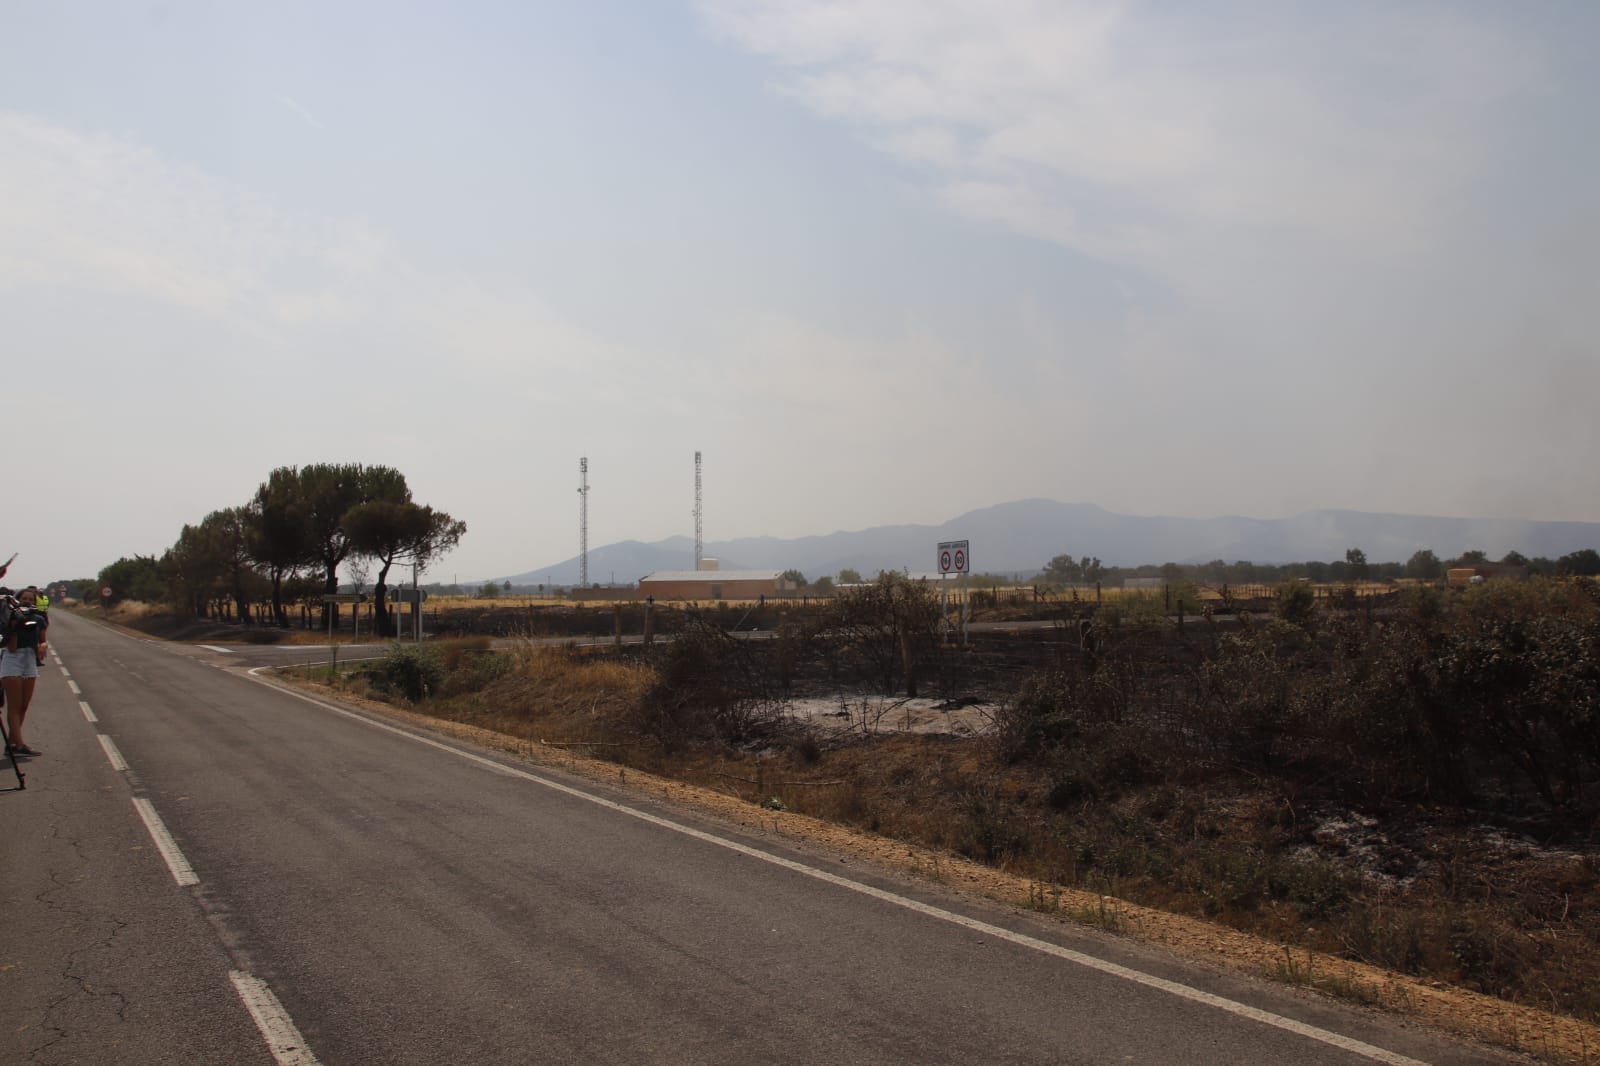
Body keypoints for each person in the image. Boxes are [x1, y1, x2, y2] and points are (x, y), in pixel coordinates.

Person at [1, 585, 48, 757]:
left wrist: (42, 647)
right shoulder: (9, 617)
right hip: (12, 659)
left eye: (30, 599)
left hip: (29, 659)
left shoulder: (39, 619)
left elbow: (43, 640)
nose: (27, 601)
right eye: (24, 598)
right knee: (14, 705)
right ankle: (19, 745)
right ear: (17, 600)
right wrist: (13, 626)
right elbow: (9, 646)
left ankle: (12, 743)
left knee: (23, 705)